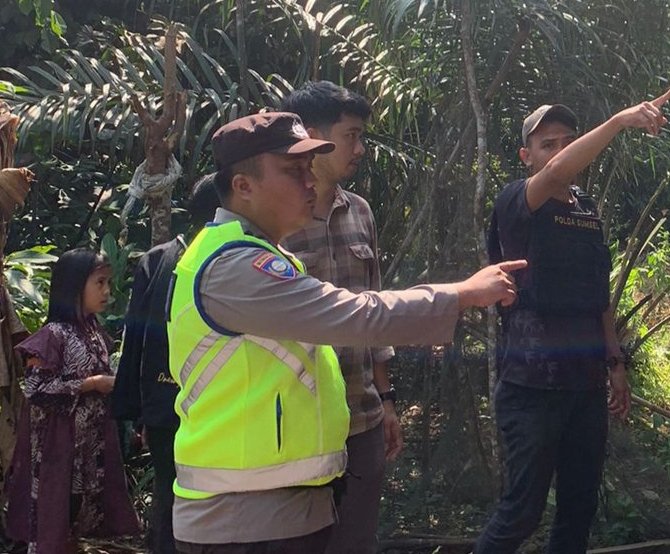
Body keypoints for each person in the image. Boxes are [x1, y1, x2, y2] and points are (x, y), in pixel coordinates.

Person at [169, 111, 524, 554]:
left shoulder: (253, 254)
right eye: (293, 171)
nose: (310, 182)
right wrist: (460, 294)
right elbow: (358, 314)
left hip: (273, 510)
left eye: (309, 169)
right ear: (243, 187)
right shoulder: (236, 268)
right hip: (245, 522)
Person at [475, 88, 670, 554]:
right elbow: (556, 173)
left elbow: (597, 292)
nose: (560, 150)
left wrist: (614, 362)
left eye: (567, 139)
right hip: (532, 386)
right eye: (549, 144)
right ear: (527, 156)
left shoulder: (585, 210)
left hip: (584, 385)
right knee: (521, 511)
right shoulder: (517, 202)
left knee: (579, 508)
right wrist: (619, 121)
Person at [279, 82, 399, 554]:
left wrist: (387, 398)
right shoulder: (275, 219)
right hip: (297, 422)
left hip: (362, 414)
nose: (361, 148)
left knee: (357, 541)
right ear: (314, 137)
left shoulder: (361, 212)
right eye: (351, 135)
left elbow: (377, 308)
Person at [111, 174, 220, 554]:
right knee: (179, 498)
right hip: (192, 410)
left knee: (174, 498)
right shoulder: (167, 261)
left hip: (170, 407)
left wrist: (134, 407)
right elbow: (136, 337)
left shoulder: (161, 259)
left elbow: (133, 340)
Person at [6, 249, 139, 554]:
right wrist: (91, 384)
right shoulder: (52, 335)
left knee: (79, 513)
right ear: (75, 285)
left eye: (108, 282)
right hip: (58, 447)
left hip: (89, 445)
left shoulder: (93, 331)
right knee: (56, 511)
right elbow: (36, 388)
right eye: (100, 282)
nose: (107, 291)